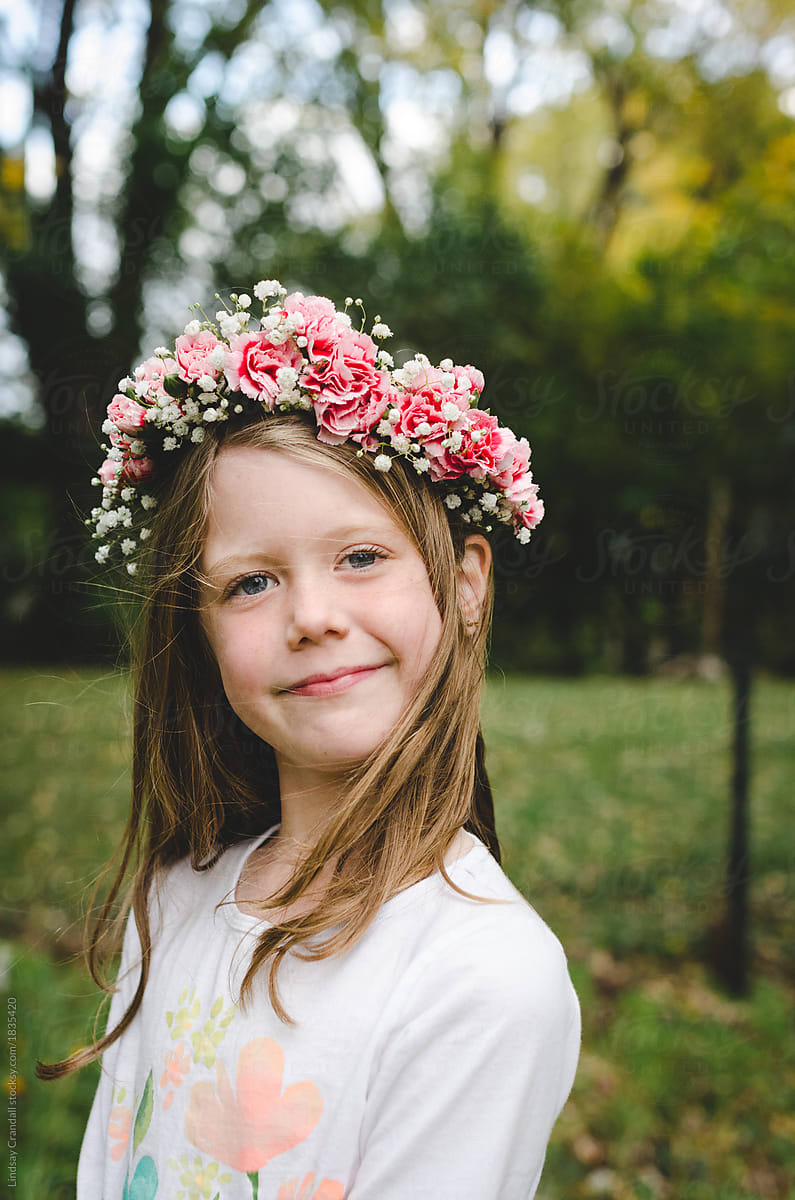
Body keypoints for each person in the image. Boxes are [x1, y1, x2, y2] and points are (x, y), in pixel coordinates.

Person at [40, 281, 580, 1199]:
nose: (312, 617)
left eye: (361, 557)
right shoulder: (174, 899)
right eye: (251, 582)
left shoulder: (483, 980)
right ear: (198, 629)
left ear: (463, 583)